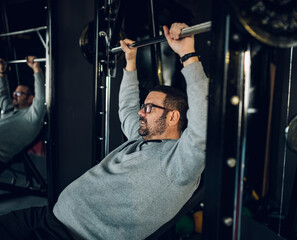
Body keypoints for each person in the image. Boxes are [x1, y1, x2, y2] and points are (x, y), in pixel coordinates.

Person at [0, 22, 208, 239]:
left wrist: (187, 55)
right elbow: (127, 107)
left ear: (173, 117)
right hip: (48, 216)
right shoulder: (140, 138)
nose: (140, 113)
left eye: (148, 108)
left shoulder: (179, 163)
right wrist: (130, 62)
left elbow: (202, 125)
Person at [0, 56, 46, 163]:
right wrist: (2, 72)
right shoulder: (10, 109)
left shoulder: (31, 118)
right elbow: (2, 94)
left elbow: (41, 98)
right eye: (15, 93)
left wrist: (36, 69)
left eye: (19, 93)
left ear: (30, 98)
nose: (15, 95)